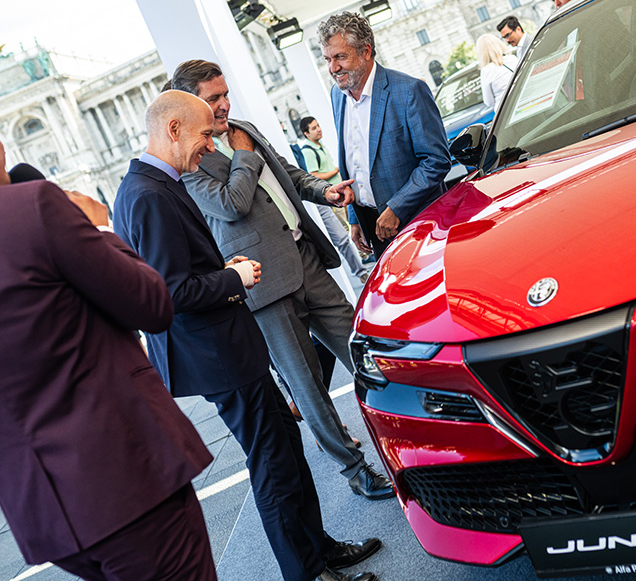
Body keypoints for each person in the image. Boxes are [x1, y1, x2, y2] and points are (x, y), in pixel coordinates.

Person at [112, 90, 380, 581]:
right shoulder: (149, 195)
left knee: (286, 452)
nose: (208, 145)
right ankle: (308, 572)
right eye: (203, 135)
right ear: (173, 129)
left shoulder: (154, 185)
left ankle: (319, 552)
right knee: (274, 466)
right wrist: (233, 278)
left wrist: (223, 268)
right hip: (219, 356)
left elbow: (181, 272)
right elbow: (170, 293)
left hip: (229, 348)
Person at [170, 60, 390, 501]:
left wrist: (320, 190)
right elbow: (232, 203)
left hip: (305, 257)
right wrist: (244, 154)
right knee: (307, 386)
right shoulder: (189, 159)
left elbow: (285, 175)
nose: (224, 104)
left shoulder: (244, 128)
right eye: (213, 99)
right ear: (192, 104)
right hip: (263, 284)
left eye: (225, 94)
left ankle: (409, 438)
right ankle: (355, 469)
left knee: (364, 349)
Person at [0, 137, 217, 580]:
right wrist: (98, 229)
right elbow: (151, 305)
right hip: (127, 478)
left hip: (43, 510)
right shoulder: (34, 207)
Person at [318, 12, 451, 259]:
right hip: (372, 227)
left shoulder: (409, 90)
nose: (332, 68)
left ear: (366, 51)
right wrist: (355, 217)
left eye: (340, 57)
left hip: (419, 223)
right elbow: (353, 164)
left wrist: (396, 208)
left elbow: (437, 161)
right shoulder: (338, 96)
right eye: (327, 59)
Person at [298, 115, 369, 284]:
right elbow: (313, 176)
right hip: (333, 197)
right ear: (306, 134)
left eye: (318, 126)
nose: (319, 129)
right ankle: (360, 267)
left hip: (342, 192)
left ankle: (363, 257)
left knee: (355, 224)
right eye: (314, 128)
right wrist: (335, 171)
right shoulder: (308, 151)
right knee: (346, 232)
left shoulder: (320, 146)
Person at [475, 34, 516, 113]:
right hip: (524, 103)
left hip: (505, 113)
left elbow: (489, 102)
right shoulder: (513, 59)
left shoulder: (486, 71)